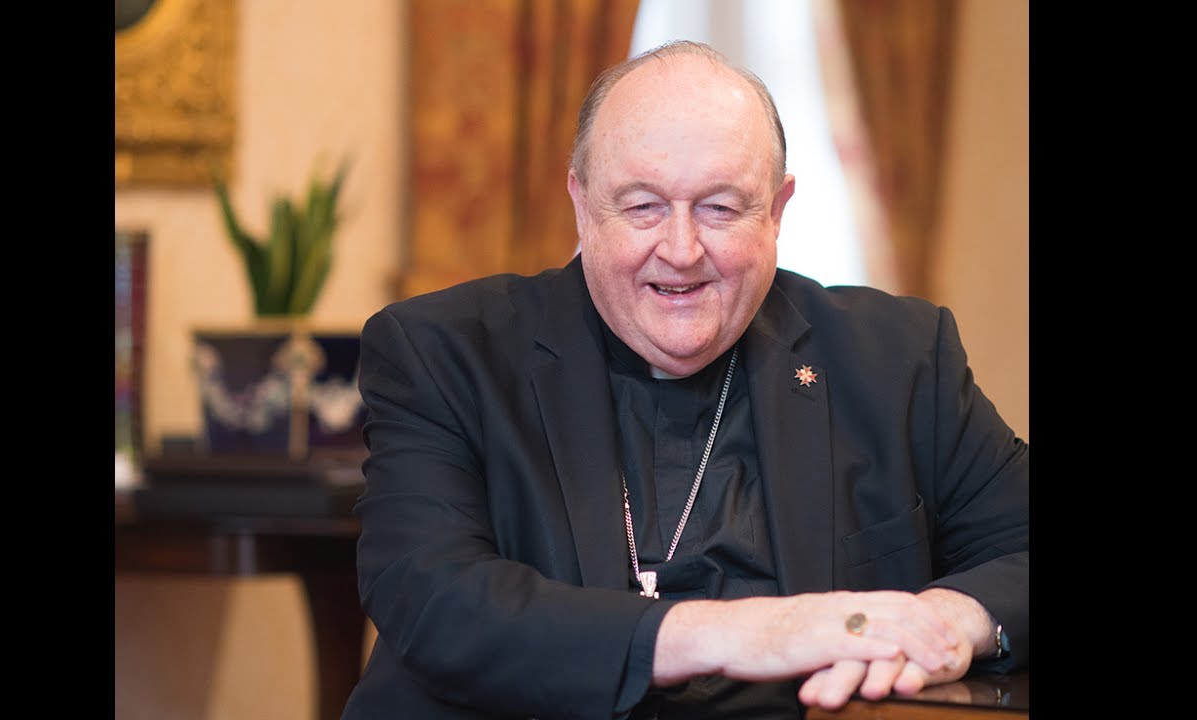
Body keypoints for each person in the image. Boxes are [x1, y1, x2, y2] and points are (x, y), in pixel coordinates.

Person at [341, 39, 1028, 720]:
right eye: (642, 206)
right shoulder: (445, 353)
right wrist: (742, 634)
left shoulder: (897, 359)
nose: (680, 251)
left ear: (777, 212)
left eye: (720, 208)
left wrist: (951, 620)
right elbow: (435, 599)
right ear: (582, 203)